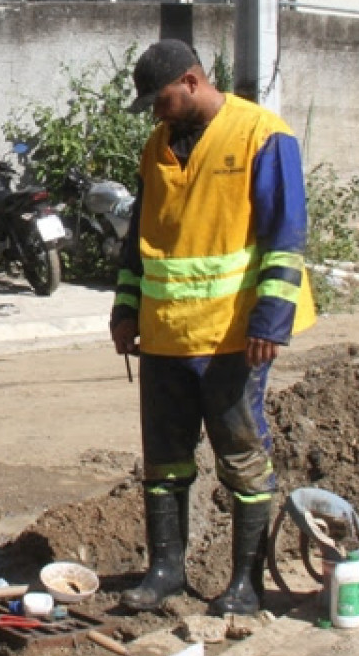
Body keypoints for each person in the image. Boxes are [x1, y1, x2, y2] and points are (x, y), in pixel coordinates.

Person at [109, 40, 316, 617]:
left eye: (163, 99)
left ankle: (245, 584)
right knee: (165, 460)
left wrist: (271, 319)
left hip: (233, 338)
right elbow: (140, 239)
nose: (157, 112)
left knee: (242, 458)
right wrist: (126, 310)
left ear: (194, 81)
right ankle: (165, 571)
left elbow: (285, 232)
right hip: (166, 337)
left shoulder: (261, 135)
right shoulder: (158, 147)